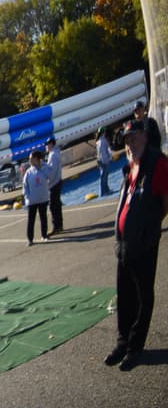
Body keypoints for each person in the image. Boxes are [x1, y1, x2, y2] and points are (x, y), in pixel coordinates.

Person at [105, 112, 168, 370]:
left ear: (145, 136)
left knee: (143, 298)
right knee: (125, 296)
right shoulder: (130, 167)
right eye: (127, 140)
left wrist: (149, 227)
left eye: (134, 138)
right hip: (124, 246)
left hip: (143, 243)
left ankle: (135, 346)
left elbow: (165, 203)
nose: (129, 144)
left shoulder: (158, 163)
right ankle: (123, 341)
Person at [22, 150, 51, 245]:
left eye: (31, 158)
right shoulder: (28, 172)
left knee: (43, 218)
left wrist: (42, 165)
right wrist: (27, 197)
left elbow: (50, 175)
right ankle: (30, 239)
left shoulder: (44, 168)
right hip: (32, 201)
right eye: (29, 158)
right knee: (31, 220)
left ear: (36, 159)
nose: (29, 160)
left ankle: (44, 235)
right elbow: (25, 186)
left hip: (43, 198)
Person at [44, 136, 64, 234]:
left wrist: (44, 168)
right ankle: (59, 225)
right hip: (57, 181)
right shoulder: (56, 153)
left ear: (51, 144)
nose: (46, 146)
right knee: (57, 204)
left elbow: (51, 172)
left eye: (47, 144)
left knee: (53, 206)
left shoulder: (53, 155)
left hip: (54, 183)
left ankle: (56, 226)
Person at [97, 127, 114, 198]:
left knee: (105, 175)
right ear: (103, 132)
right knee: (104, 176)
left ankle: (106, 189)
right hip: (103, 160)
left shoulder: (101, 140)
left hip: (101, 160)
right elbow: (102, 152)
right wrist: (106, 161)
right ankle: (104, 191)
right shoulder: (101, 141)